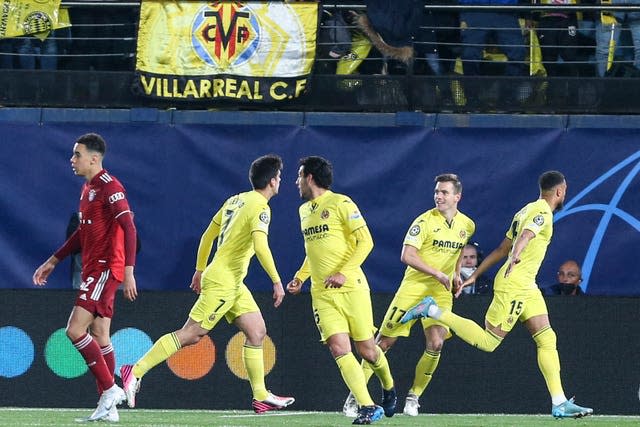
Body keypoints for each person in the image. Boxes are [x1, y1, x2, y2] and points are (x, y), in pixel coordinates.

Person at [400, 171, 593, 418]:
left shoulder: (525, 210)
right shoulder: (543, 212)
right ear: (560, 191)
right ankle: (432, 309)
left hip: (526, 285)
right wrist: (516, 257)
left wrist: (475, 275)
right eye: (564, 191)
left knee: (547, 338)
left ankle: (559, 402)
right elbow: (524, 238)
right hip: (515, 285)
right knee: (489, 342)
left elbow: (503, 247)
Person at [119, 155, 294, 414]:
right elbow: (260, 246)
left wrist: (200, 269)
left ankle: (260, 396)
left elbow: (208, 235)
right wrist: (277, 281)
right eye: (279, 176)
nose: (281, 181)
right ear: (271, 181)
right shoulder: (261, 207)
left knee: (257, 332)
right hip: (224, 282)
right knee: (191, 334)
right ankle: (134, 370)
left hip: (232, 281)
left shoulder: (235, 200)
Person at [342, 174, 475, 417]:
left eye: (444, 192)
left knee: (436, 343)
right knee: (382, 343)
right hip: (413, 288)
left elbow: (457, 252)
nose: (438, 196)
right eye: (437, 191)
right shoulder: (423, 222)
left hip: (440, 291)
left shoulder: (467, 225)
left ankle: (414, 397)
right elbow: (407, 256)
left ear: (458, 196)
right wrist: (437, 273)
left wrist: (455, 274)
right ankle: (357, 397)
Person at [33, 133, 137, 422]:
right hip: (94, 268)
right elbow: (82, 233)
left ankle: (109, 389)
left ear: (94, 158)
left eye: (77, 154)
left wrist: (128, 271)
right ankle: (109, 408)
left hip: (105, 268)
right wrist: (54, 260)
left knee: (74, 330)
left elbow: (129, 227)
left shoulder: (110, 186)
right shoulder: (87, 189)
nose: (72, 159)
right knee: (100, 333)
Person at [286, 156, 396, 425]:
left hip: (352, 287)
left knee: (367, 350)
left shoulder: (341, 203)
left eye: (299, 176)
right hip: (322, 294)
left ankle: (389, 386)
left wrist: (343, 273)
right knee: (338, 347)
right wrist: (301, 278)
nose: (296, 181)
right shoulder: (303, 211)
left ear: (310, 177)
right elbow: (313, 252)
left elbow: (366, 242)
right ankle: (367, 406)